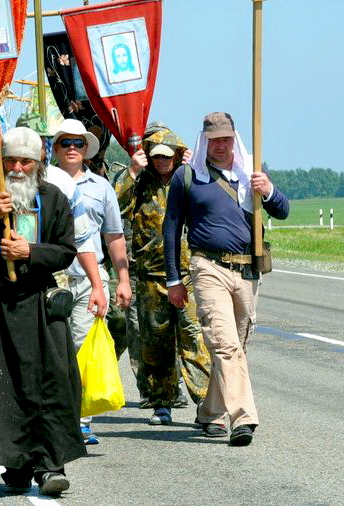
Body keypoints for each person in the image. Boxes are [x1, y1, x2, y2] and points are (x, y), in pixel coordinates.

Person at [0, 127, 82, 496]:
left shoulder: (53, 197)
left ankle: (49, 465)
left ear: (38, 163)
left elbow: (65, 250)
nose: (16, 167)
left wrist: (30, 253)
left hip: (40, 302)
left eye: (24, 161)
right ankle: (15, 463)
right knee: (4, 381)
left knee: (53, 380)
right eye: (9, 160)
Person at [163, 112, 289, 446]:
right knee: (224, 342)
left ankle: (210, 412)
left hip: (247, 271)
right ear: (205, 140)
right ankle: (243, 417)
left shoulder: (251, 171)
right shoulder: (188, 176)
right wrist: (174, 279)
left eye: (227, 139)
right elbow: (172, 226)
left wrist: (270, 190)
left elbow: (282, 210)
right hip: (207, 267)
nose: (221, 146)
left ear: (235, 139)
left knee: (236, 347)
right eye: (215, 140)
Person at [114, 124, 211, 426]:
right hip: (150, 275)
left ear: (178, 155)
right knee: (155, 342)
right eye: (156, 157)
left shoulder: (190, 178)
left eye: (168, 156)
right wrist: (131, 171)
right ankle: (161, 401)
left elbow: (212, 203)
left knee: (193, 339)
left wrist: (199, 166)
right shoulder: (139, 182)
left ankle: (207, 403)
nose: (162, 162)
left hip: (187, 275)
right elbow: (114, 207)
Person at [51, 119, 130, 445]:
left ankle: (81, 419)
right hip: (50, 279)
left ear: (86, 150)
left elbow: (113, 236)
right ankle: (56, 414)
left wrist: (121, 279)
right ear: (54, 148)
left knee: (83, 348)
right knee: (56, 349)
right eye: (65, 142)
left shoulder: (101, 188)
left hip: (88, 279)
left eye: (78, 143)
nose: (72, 148)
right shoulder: (44, 183)